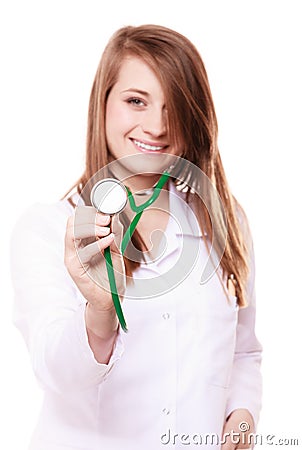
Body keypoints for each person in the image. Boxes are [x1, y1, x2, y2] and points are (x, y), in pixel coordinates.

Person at [10, 24, 262, 450]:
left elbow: (243, 352)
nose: (158, 126)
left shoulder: (226, 220)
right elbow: (56, 374)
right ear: (102, 104)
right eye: (135, 101)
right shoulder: (48, 227)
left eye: (174, 106)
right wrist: (100, 311)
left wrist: (243, 413)